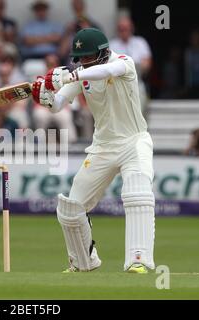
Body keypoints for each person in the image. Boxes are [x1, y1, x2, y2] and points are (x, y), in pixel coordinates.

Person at [32, 28, 155, 273]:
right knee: (70, 209)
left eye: (88, 57)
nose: (84, 62)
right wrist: (45, 96)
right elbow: (58, 105)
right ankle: (83, 262)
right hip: (102, 148)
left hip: (134, 142)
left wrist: (69, 76)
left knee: (137, 194)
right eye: (81, 59)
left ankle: (138, 260)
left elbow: (107, 71)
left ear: (103, 52)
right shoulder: (83, 75)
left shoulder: (123, 62)